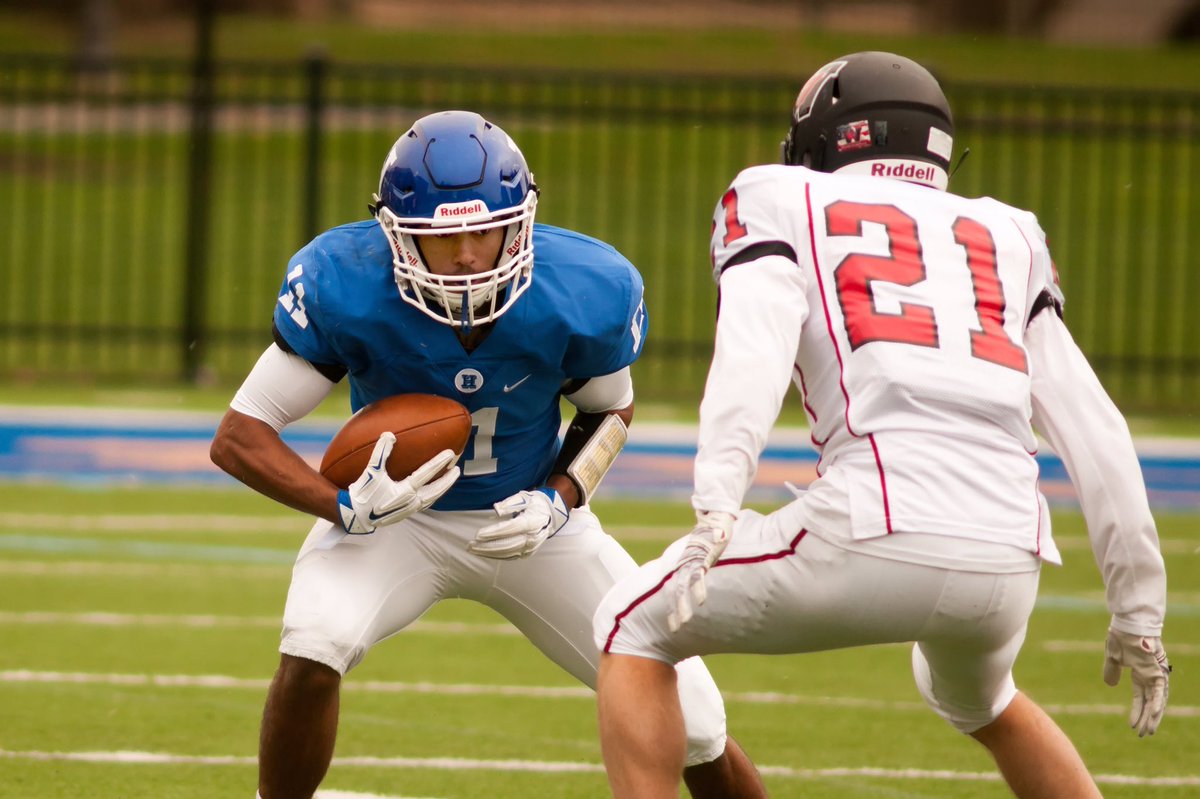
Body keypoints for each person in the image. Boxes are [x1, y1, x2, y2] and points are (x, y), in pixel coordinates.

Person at [593, 52, 1171, 799]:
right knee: (981, 697)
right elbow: (1095, 427)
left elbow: (753, 355)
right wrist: (1138, 607)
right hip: (1006, 559)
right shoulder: (1010, 231)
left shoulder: (780, 197)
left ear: (827, 139)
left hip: (872, 526)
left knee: (628, 621)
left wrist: (718, 502)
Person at [209, 110, 766, 799]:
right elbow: (241, 433)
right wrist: (346, 507)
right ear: (396, 238)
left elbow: (609, 408)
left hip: (532, 526)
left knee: (700, 723)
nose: (469, 253)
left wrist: (559, 498)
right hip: (397, 522)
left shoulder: (584, 286)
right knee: (312, 645)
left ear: (520, 222)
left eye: (483, 229)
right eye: (443, 238)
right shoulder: (345, 280)